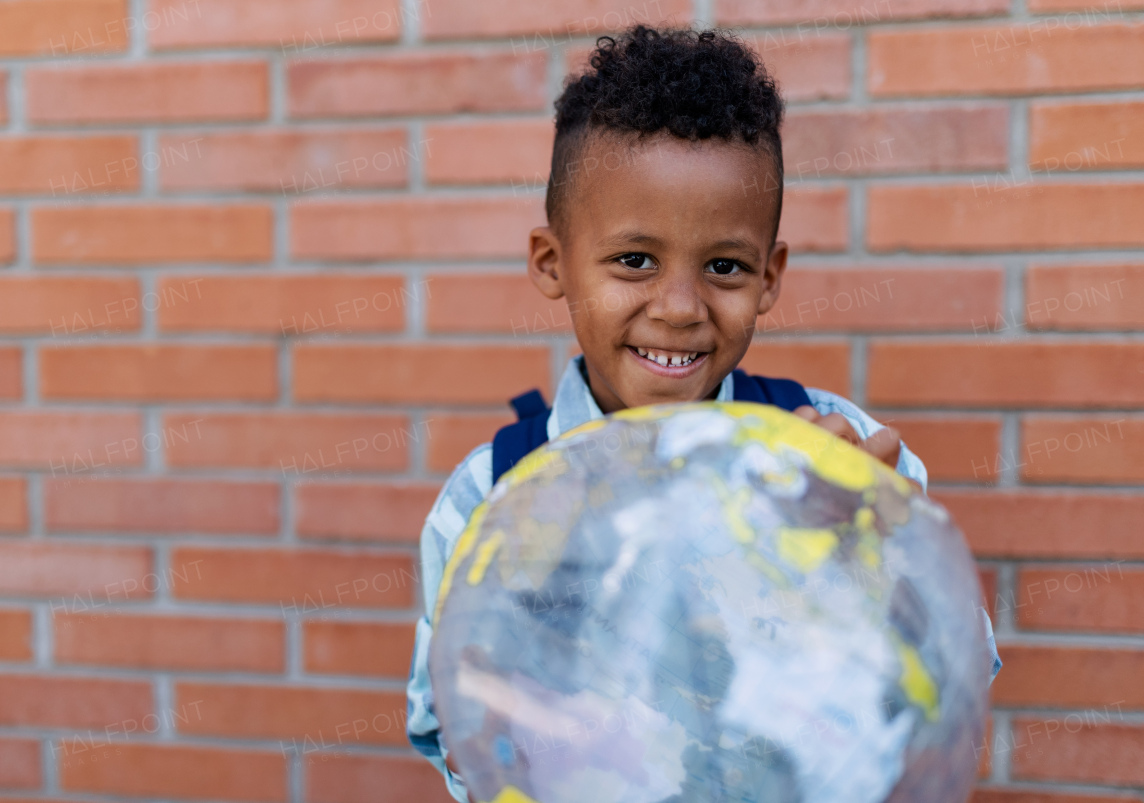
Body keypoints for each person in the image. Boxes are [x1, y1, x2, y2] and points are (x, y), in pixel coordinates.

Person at [406, 26, 1001, 802]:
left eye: (724, 266)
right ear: (553, 264)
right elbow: (441, 723)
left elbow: (954, 684)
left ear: (769, 277)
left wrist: (883, 570)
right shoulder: (488, 498)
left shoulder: (838, 461)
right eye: (634, 260)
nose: (680, 307)